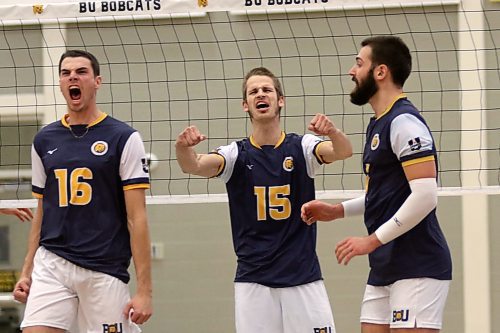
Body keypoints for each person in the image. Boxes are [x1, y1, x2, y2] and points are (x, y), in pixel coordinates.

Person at [176, 66, 353, 333]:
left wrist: (333, 133)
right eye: (253, 91)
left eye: (267, 90)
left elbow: (343, 152)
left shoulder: (302, 147)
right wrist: (182, 148)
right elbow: (194, 166)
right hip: (254, 281)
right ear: (245, 105)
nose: (261, 94)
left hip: (302, 276)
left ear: (280, 100)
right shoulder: (235, 154)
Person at [301, 36, 452, 333]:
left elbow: (425, 196)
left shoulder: (404, 122)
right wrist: (336, 211)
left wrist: (370, 241)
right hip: (385, 263)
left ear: (380, 72)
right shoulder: (378, 123)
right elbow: (382, 196)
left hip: (418, 263)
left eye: (359, 63)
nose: (351, 71)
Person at [13, 50, 153, 333]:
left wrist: (145, 291)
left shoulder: (123, 137)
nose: (72, 77)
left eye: (81, 72)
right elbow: (42, 210)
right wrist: (27, 270)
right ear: (61, 84)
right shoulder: (44, 140)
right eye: (66, 73)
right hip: (53, 262)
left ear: (97, 81)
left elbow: (137, 217)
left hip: (103, 267)